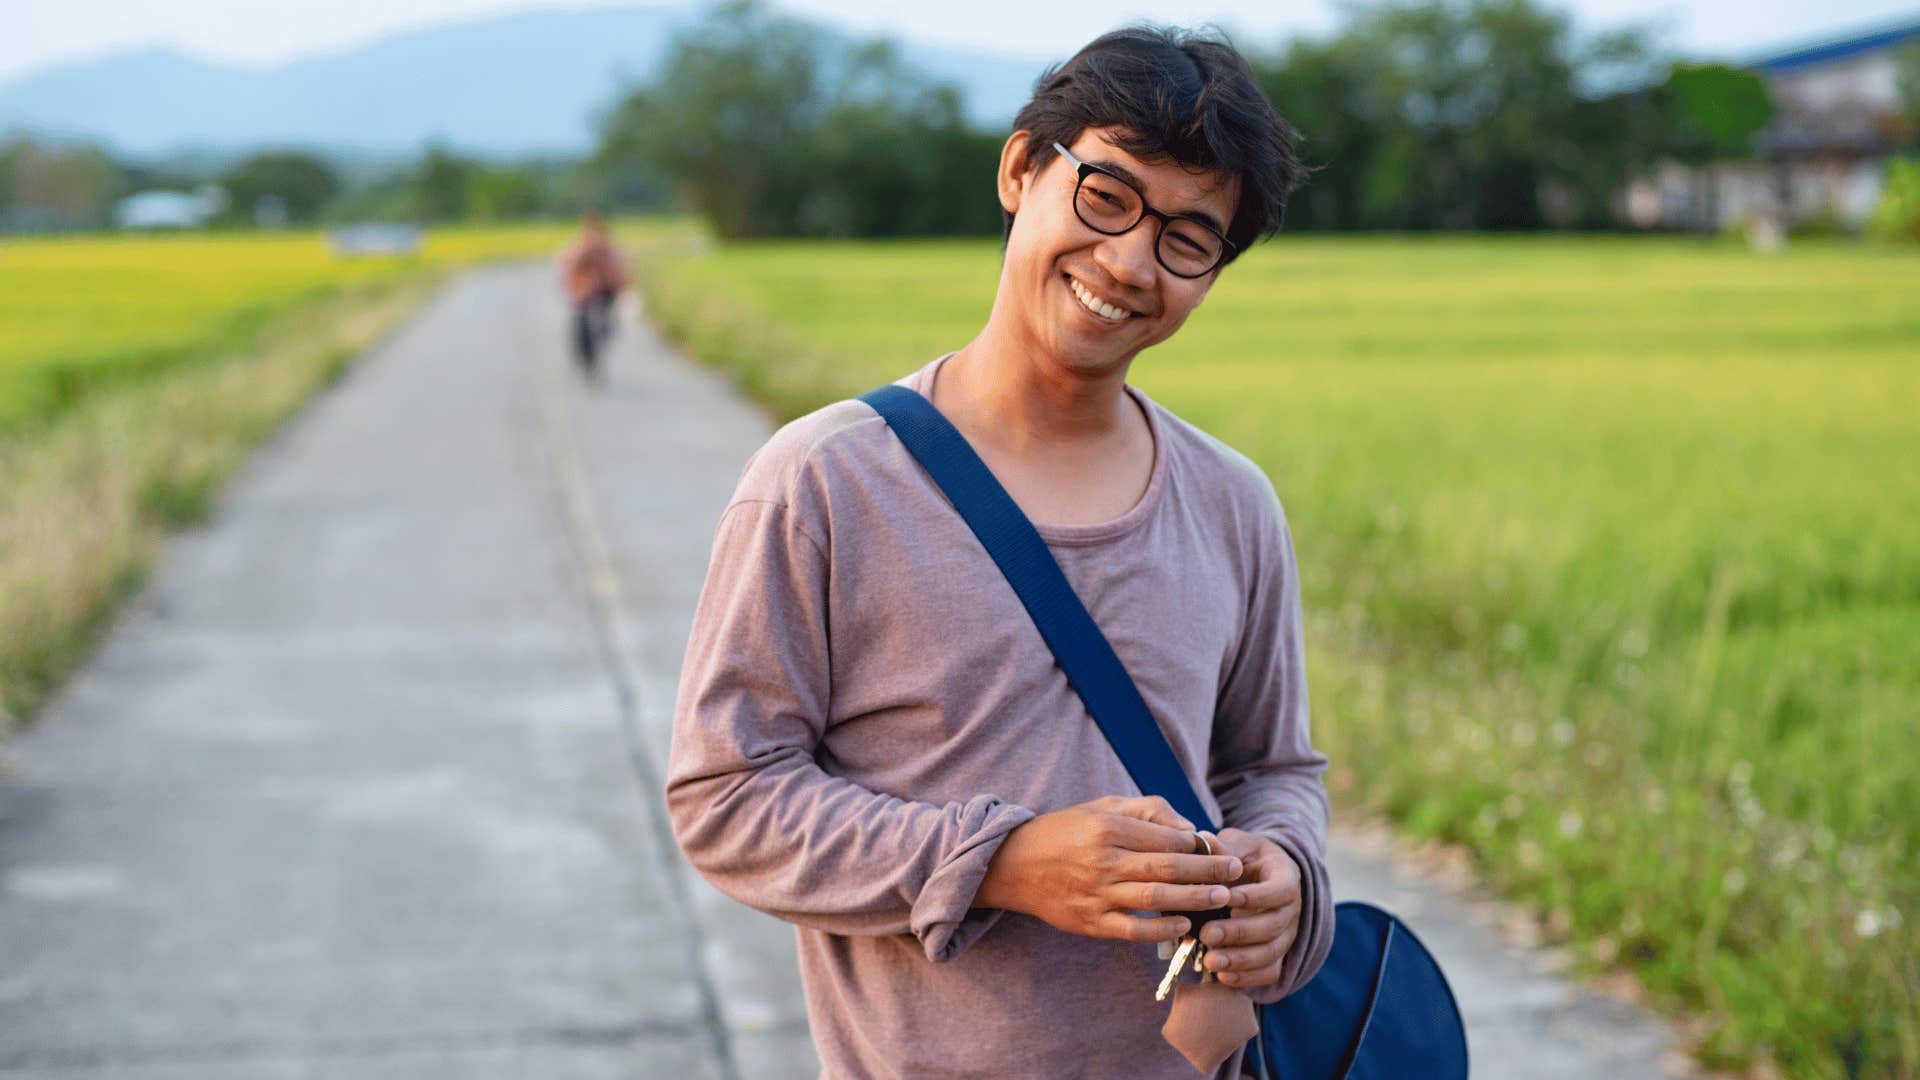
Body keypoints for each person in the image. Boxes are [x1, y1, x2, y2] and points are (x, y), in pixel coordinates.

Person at [666, 26, 1331, 1079]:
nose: (1129, 261)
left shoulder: (1231, 503)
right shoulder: (824, 483)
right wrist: (1002, 863)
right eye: (1106, 195)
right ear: (1023, 169)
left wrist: (1288, 877)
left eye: (1187, 239)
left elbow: (1272, 767)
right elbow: (725, 796)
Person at [557, 210, 630, 379]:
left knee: (607, 326)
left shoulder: (610, 249)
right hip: (583, 293)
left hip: (605, 291)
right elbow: (567, 268)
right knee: (581, 325)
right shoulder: (579, 246)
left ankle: (596, 351)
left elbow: (621, 271)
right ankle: (585, 357)